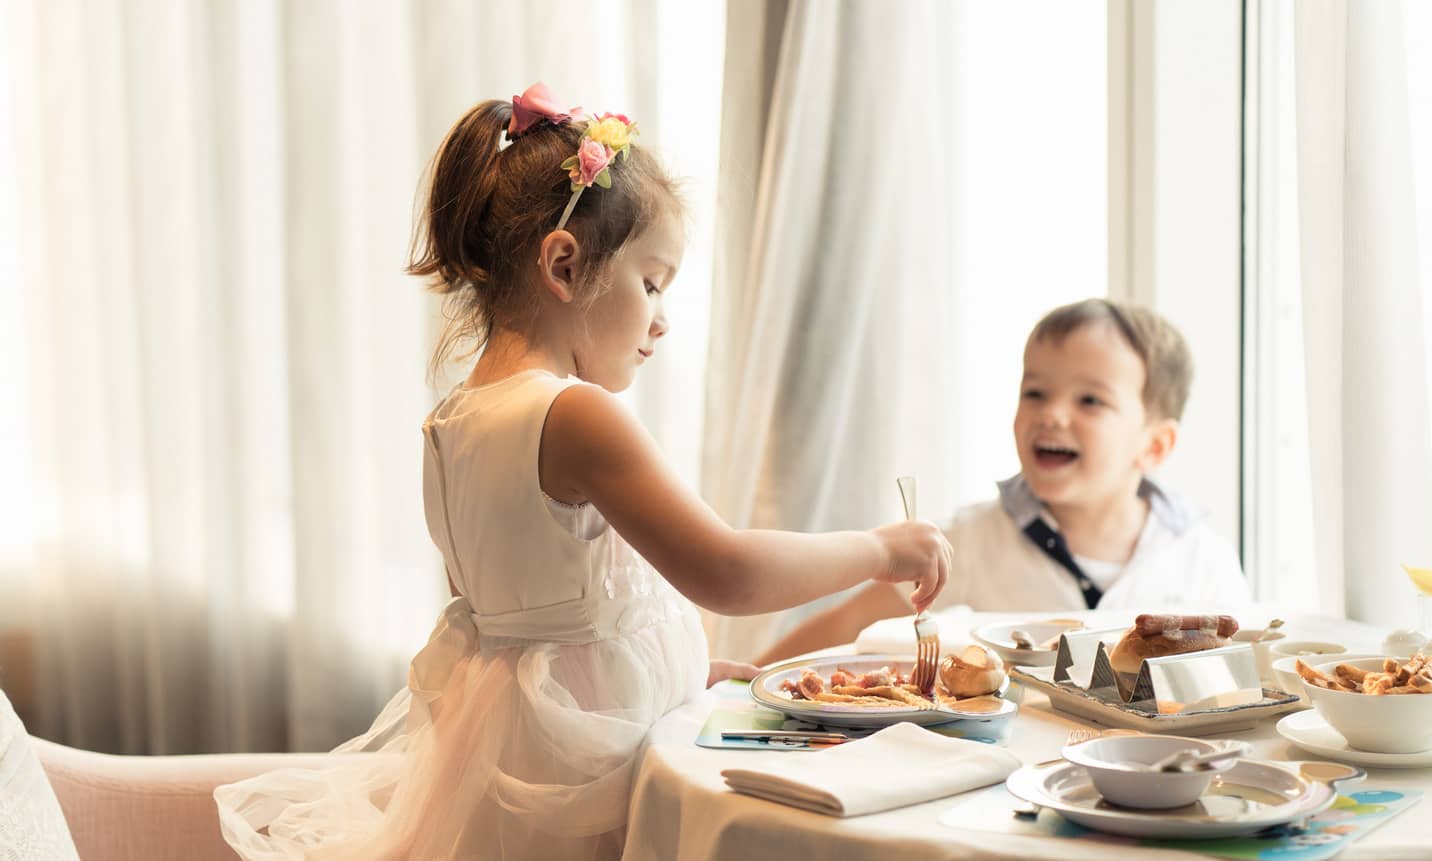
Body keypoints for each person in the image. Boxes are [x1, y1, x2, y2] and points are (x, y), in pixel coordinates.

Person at [213, 83, 951, 860]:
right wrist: (881, 549)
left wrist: (678, 677)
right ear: (564, 266)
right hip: (583, 782)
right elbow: (726, 571)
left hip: (510, 766)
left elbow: (539, 630)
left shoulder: (451, 423)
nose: (662, 318)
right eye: (652, 282)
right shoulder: (572, 415)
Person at [756, 298, 1249, 666]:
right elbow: (853, 620)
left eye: (1090, 401)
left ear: (1155, 445)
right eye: (1034, 392)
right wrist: (746, 679)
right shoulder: (976, 537)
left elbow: (1242, 669)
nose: (1051, 415)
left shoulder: (1200, 557)